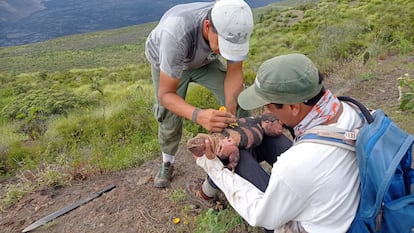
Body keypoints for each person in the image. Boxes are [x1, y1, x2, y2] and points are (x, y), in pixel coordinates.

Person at [194, 53, 364, 232]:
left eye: (268, 105)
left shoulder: (294, 165)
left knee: (239, 158)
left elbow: (261, 216)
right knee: (268, 139)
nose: (266, 110)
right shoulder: (353, 111)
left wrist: (210, 164)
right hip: (345, 206)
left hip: (317, 224)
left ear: (293, 107)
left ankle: (204, 192)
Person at [144, 0, 254, 205]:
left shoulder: (233, 23)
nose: (226, 52)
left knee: (239, 103)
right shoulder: (175, 34)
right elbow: (166, 94)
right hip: (168, 64)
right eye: (223, 46)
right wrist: (199, 115)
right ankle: (167, 162)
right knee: (168, 115)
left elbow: (234, 72)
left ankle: (244, 151)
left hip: (204, 62)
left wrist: (229, 112)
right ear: (207, 27)